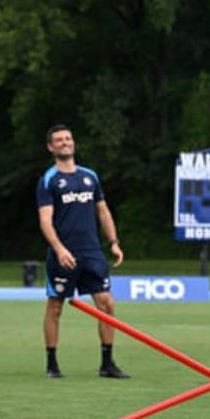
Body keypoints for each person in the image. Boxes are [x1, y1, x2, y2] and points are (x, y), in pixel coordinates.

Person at [36, 124, 130, 379]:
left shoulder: (90, 176)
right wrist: (59, 249)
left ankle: (107, 363)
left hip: (92, 252)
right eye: (59, 140)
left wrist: (113, 241)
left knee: (106, 303)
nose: (65, 142)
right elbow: (45, 220)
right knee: (55, 307)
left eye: (68, 138)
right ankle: (52, 364)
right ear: (51, 147)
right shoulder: (48, 180)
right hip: (64, 254)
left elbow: (103, 210)